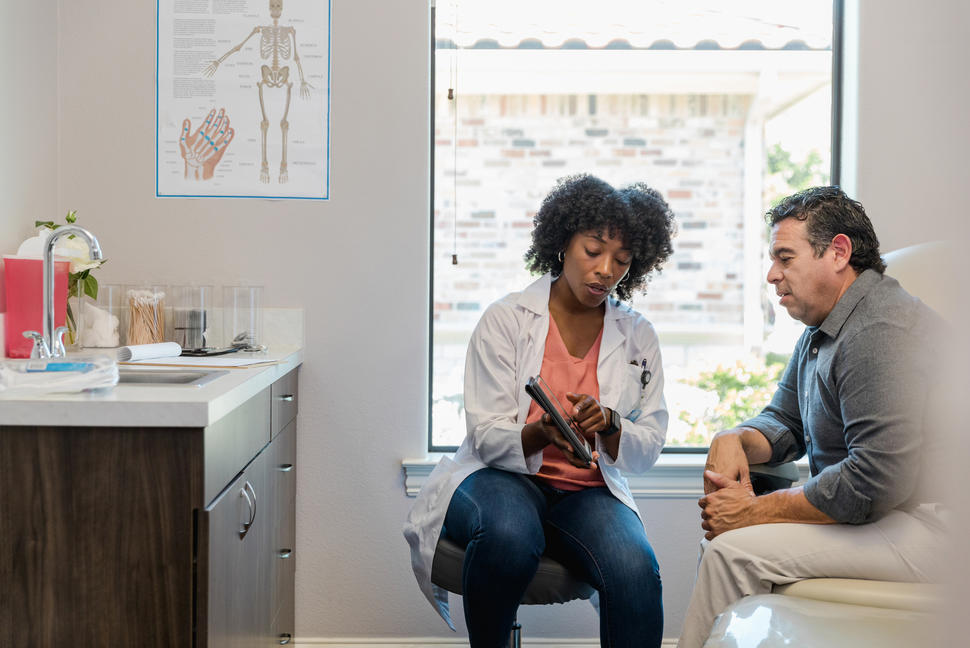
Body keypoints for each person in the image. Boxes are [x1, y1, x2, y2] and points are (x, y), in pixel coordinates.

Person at [404, 174, 676, 647]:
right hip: (501, 478)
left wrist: (611, 425)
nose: (606, 270)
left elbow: (648, 445)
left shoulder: (638, 335)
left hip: (588, 492)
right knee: (508, 536)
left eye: (622, 260)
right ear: (562, 243)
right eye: (593, 251)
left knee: (635, 568)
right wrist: (540, 434)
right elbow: (486, 434)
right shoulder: (507, 319)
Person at [677, 186, 950, 648]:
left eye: (785, 258)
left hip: (935, 527)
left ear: (838, 252)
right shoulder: (823, 328)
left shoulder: (880, 328)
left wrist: (754, 511)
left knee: (730, 551)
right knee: (725, 540)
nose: (771, 275)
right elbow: (785, 422)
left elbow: (875, 480)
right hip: (890, 515)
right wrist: (736, 437)